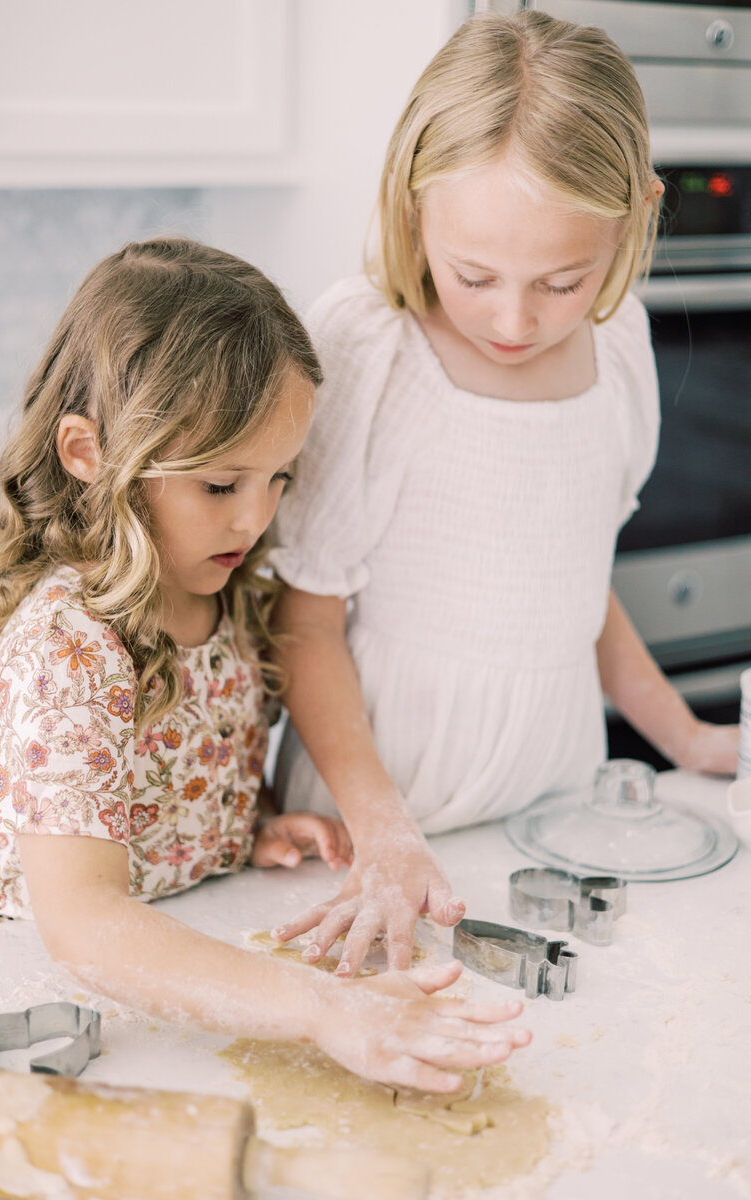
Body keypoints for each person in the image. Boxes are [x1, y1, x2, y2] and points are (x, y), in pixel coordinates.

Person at [0, 238, 529, 1092]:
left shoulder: (226, 588)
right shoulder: (69, 648)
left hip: (190, 968)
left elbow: (159, 781)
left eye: (280, 479)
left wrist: (228, 830)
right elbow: (83, 922)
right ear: (88, 453)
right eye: (221, 486)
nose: (254, 518)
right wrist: (325, 1007)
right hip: (53, 1017)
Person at [270, 12, 740, 976]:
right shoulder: (375, 350)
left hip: (550, 802)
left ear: (636, 218)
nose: (516, 318)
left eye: (565, 280)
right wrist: (384, 826)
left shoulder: (618, 351)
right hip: (381, 817)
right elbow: (304, 623)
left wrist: (684, 737)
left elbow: (576, 581)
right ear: (412, 210)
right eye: (475, 275)